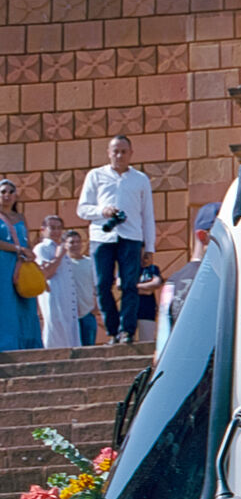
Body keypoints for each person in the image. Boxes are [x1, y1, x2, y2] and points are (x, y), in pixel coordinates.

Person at [77, 135, 156, 344]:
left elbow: (147, 215)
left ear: (131, 153)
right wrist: (102, 211)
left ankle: (127, 331)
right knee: (102, 285)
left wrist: (150, 247)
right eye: (115, 151)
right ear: (109, 153)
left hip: (131, 237)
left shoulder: (140, 179)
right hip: (102, 236)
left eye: (123, 151)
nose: (119, 156)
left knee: (130, 285)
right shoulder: (96, 175)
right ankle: (112, 331)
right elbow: (82, 209)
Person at [156, 201, 220, 354]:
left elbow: (162, 342)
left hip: (180, 364)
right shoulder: (221, 278)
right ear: (203, 236)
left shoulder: (172, 282)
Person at [0, 178, 41, 351]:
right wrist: (18, 249)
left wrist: (30, 253)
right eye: (3, 192)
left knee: (26, 302)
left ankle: (29, 345)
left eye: (11, 192)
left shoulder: (20, 217)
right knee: (6, 303)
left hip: (22, 264)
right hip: (4, 264)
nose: (7, 195)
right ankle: (7, 345)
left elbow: (27, 240)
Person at [34, 215, 81, 349]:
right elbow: (45, 273)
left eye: (59, 228)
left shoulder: (61, 247)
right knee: (54, 331)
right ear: (43, 229)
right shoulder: (42, 248)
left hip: (67, 300)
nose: (56, 231)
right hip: (53, 296)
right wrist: (58, 256)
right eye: (52, 228)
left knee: (69, 334)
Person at [64, 230, 98, 346]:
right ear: (65, 244)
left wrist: (96, 307)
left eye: (78, 242)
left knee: (89, 348)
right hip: (69, 314)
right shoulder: (62, 265)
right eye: (71, 242)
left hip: (88, 312)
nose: (75, 245)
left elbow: (97, 287)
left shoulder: (90, 262)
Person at [134, 259, 162, 342]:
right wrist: (146, 288)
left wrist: (135, 287)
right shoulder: (127, 267)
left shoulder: (152, 269)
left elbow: (156, 283)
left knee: (147, 339)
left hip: (147, 309)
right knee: (127, 340)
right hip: (131, 308)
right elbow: (120, 285)